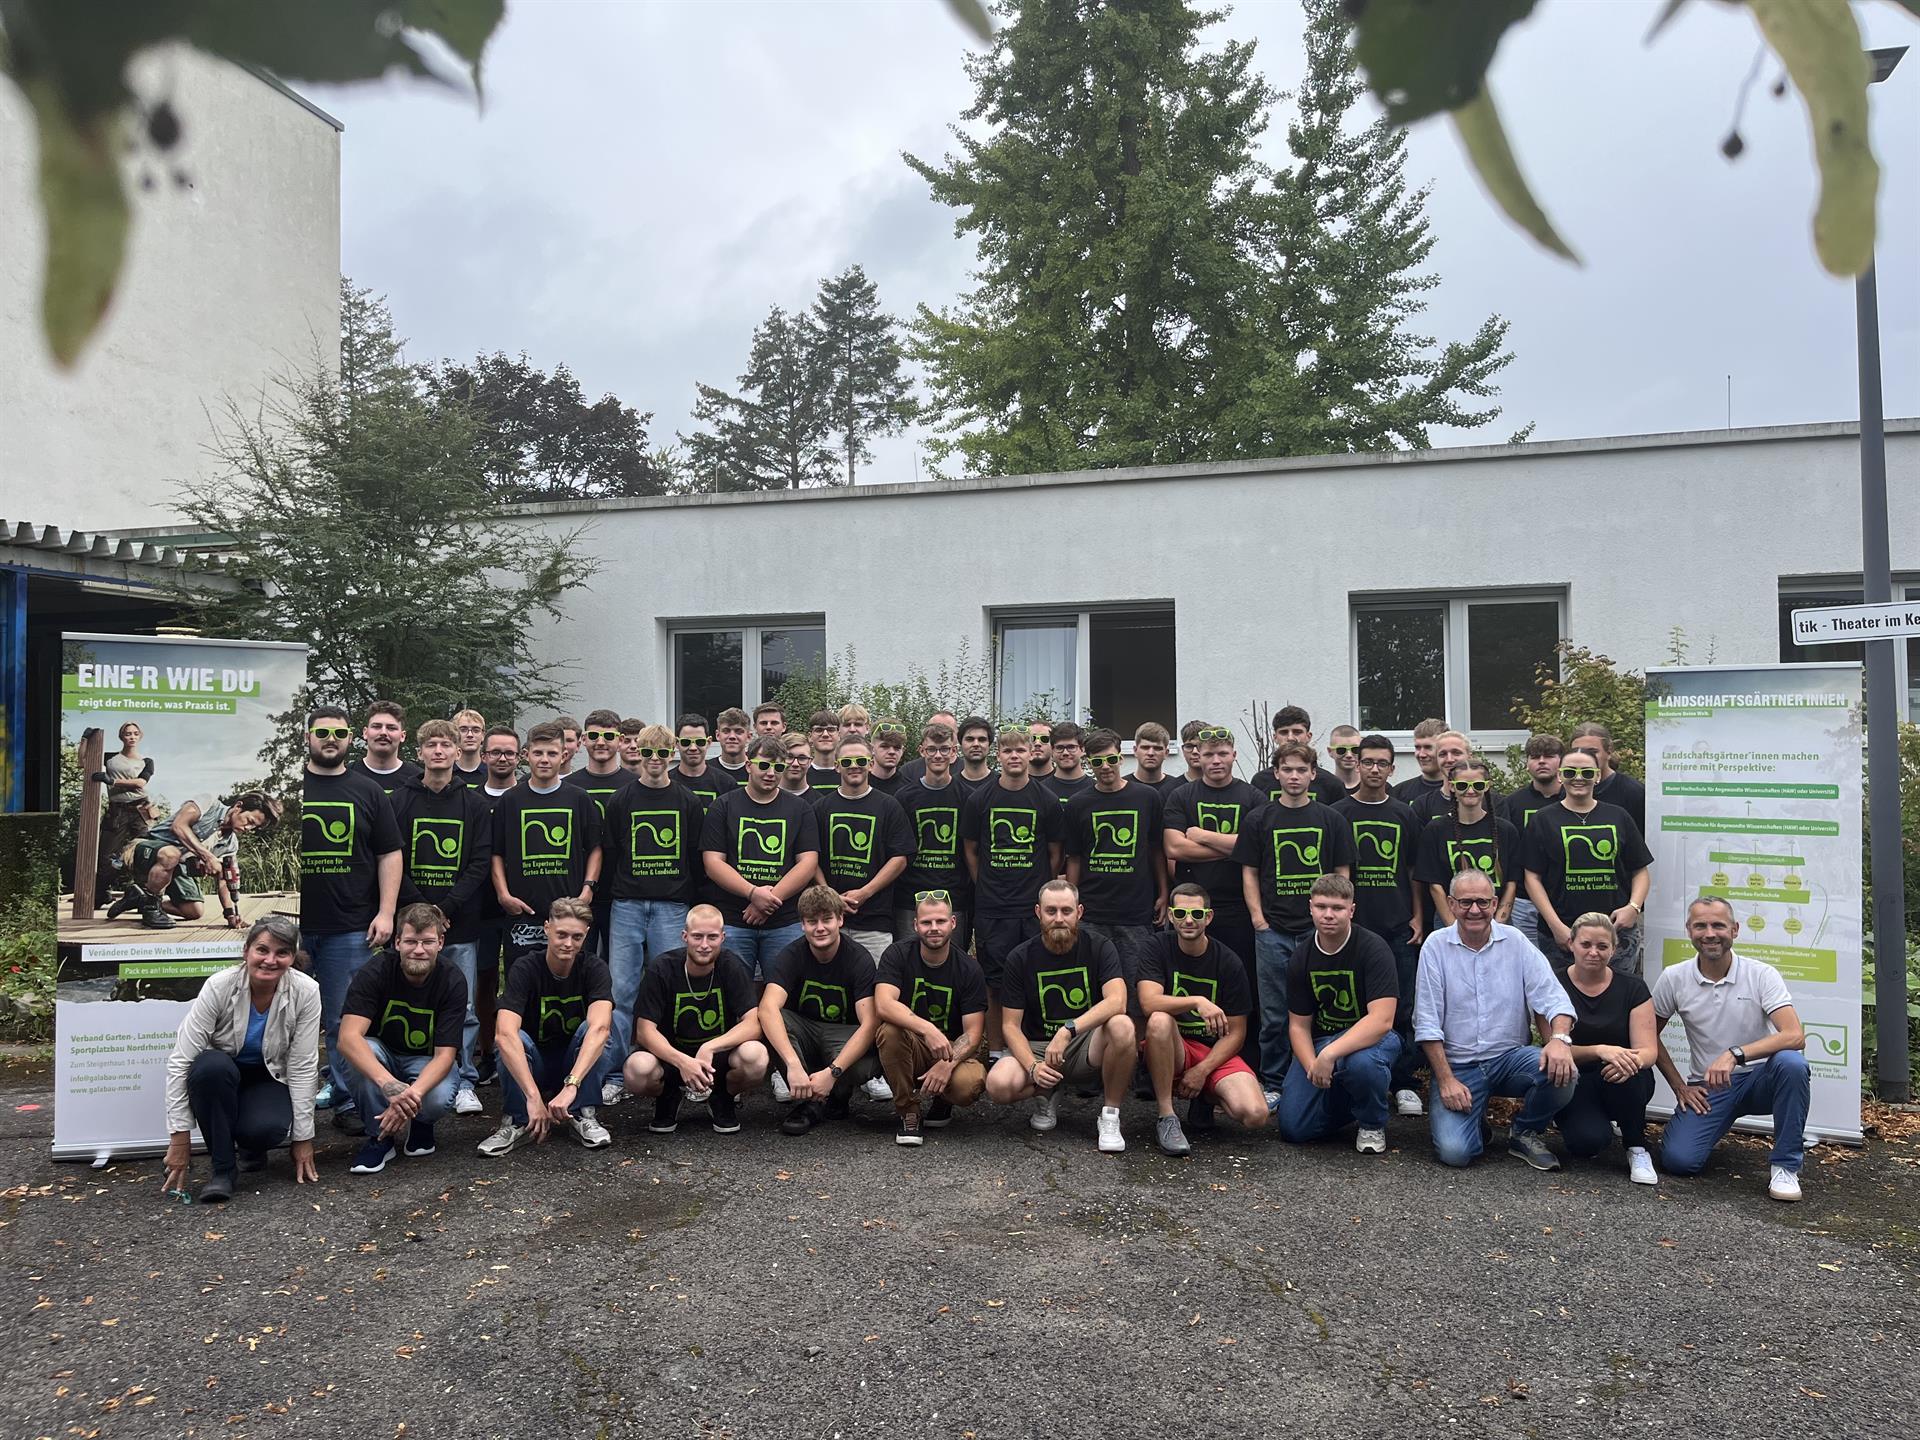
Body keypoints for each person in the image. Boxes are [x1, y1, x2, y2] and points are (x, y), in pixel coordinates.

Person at [1414, 869, 1578, 1170]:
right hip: (1459, 1066)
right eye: (1465, 902)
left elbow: (1554, 998)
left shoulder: (1515, 941)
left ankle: (1524, 1131)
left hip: (1509, 1059)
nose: (1474, 910)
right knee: (1455, 1153)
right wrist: (1447, 1080)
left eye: (1482, 902)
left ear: (1494, 903)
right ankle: (1474, 1123)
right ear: (1450, 904)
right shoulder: (1435, 947)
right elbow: (1426, 1022)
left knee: (1564, 1070)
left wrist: (1559, 1040)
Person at [1651, 897, 1810, 1201]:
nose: (1710, 933)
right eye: (1701, 925)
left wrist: (1734, 1054)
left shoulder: (1761, 974)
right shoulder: (1674, 977)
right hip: (1709, 1087)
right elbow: (1648, 1036)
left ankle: (1785, 1167)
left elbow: (1794, 1035)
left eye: (1718, 925)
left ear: (1735, 930)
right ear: (1689, 930)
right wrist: (1679, 1086)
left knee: (1792, 1064)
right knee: (1679, 1162)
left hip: (1761, 1079)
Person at [162, 916, 319, 1203]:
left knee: (266, 1129)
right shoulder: (219, 986)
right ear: (246, 951)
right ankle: (223, 1170)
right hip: (222, 1073)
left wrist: (303, 1139)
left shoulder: (306, 991)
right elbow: (181, 1060)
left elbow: (303, 1065)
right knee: (208, 1067)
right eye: (262, 950)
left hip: (269, 1076)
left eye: (282, 953)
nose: (270, 960)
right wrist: (179, 1138)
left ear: (292, 958)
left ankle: (251, 1146)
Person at [299, 703, 401, 1129]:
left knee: (344, 1019)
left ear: (349, 739)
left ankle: (345, 1101)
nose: (330, 740)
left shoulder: (368, 790)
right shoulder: (292, 789)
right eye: (322, 733)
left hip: (350, 925)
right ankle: (290, 1103)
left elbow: (390, 853)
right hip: (288, 926)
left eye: (338, 734)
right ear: (307, 737)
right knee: (285, 1018)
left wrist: (387, 912)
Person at [1235, 740, 1353, 1105]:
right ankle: (1273, 1083)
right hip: (1274, 931)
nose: (1294, 776)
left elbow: (1342, 872)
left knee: (1321, 1010)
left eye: (1302, 770)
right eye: (1287, 769)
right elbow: (1250, 872)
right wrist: (1258, 919)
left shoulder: (1331, 819)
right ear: (1276, 774)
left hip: (1320, 933)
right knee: (1273, 1014)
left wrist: (1337, 919)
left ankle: (1320, 1079)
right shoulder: (1260, 819)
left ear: (1314, 775)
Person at [600, 723, 710, 1107]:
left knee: (673, 991)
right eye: (647, 754)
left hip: (672, 904)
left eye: (662, 754)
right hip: (627, 904)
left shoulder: (687, 800)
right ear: (637, 754)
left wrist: (691, 904)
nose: (655, 761)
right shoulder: (621, 799)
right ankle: (614, 1072)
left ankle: (683, 1072)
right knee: (621, 992)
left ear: (673, 754)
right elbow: (612, 852)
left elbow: (697, 858)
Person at [391, 719, 493, 1117]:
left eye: (445, 745)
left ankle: (464, 1079)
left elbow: (479, 861)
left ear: (457, 752)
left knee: (464, 1005)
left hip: (459, 923)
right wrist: (421, 909)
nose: (438, 751)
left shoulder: (473, 803)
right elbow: (393, 856)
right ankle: (411, 1076)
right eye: (431, 744)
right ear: (420, 752)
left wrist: (445, 908)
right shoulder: (400, 800)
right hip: (411, 923)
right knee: (406, 1001)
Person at [984, 880, 1134, 1150]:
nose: (1059, 918)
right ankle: (1046, 1088)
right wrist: (1032, 1066)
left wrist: (1067, 1030)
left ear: (1079, 912)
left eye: (1066, 911)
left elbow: (1118, 1001)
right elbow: (1010, 1026)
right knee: (997, 1085)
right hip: (1038, 1047)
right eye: (1051, 911)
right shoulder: (1020, 957)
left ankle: (1110, 1116)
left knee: (1122, 1026)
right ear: (1038, 912)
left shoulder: (1100, 946)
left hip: (1084, 1044)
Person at [1162, 725, 1267, 1067]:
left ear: (1234, 755)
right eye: (1209, 754)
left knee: (1242, 987)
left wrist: (1201, 835)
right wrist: (1234, 847)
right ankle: (1181, 1060)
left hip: (1238, 908)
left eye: (1223, 753)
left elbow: (1258, 846)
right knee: (1188, 983)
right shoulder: (1181, 796)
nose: (1216, 760)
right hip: (1190, 908)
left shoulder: (1252, 797)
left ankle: (1246, 1062)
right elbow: (1175, 847)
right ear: (1197, 756)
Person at [478, 899, 617, 1155]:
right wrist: (533, 1095)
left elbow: (600, 1030)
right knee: (512, 1038)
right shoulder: (525, 968)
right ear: (546, 929)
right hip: (534, 1064)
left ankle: (582, 1113)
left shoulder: (594, 968)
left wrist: (571, 1085)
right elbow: (504, 1034)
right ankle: (518, 1119)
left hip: (573, 1065)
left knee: (595, 1030)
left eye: (576, 937)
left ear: (586, 935)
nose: (568, 943)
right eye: (561, 934)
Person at [1275, 876, 1402, 1153]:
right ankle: (1353, 1100)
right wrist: (1312, 1066)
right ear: (1310, 908)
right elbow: (1298, 1026)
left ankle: (1371, 1122)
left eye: (1337, 908)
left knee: (1363, 1065)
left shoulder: (1373, 948)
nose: (1328, 915)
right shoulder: (1301, 956)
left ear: (1352, 910)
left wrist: (1329, 1055)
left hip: (1372, 1039)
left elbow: (1382, 1020)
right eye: (1321, 907)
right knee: (1294, 1129)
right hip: (1321, 1043)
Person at [337, 903, 466, 1173]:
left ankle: (421, 1123)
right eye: (410, 941)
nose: (419, 950)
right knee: (361, 1050)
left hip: (426, 1060)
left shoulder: (452, 978)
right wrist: (389, 1086)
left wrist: (409, 1097)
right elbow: (347, 1037)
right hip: (384, 1056)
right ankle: (379, 1138)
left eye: (428, 942)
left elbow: (446, 1055)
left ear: (440, 943)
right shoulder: (376, 970)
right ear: (397, 942)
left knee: (438, 1095)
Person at [1137, 884, 1266, 1150]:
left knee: (1255, 1115)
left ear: (1208, 917)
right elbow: (1148, 1002)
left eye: (1196, 914)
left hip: (1213, 1052)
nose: (1188, 920)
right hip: (1175, 1046)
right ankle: (1167, 1116)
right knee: (1159, 1019)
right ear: (1171, 915)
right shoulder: (1156, 947)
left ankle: (1205, 1099)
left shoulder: (1228, 962)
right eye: (1181, 913)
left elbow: (1238, 1032)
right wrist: (1198, 1001)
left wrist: (1202, 1071)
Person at [623, 903, 768, 1135]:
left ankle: (722, 1096)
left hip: (717, 1060)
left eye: (712, 937)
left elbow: (753, 1023)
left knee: (756, 1056)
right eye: (697, 936)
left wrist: (710, 1047)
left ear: (722, 937)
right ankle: (668, 1096)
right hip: (670, 1058)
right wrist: (683, 1062)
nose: (704, 945)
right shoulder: (663, 967)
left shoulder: (731, 965)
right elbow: (644, 1030)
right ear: (684, 936)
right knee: (636, 1070)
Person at [963, 725, 1064, 1053]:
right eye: (1008, 751)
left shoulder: (1045, 799)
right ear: (999, 755)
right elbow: (971, 849)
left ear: (1030, 752)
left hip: (1032, 907)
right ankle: (996, 1051)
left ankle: (1034, 1045)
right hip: (993, 907)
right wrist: (986, 884)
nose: (1015, 756)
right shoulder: (981, 798)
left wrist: (1042, 889)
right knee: (995, 982)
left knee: (1036, 976)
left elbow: (1054, 851)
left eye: (1021, 750)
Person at [759, 885, 882, 1135]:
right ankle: (808, 1103)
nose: (820, 928)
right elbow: (767, 1007)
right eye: (811, 921)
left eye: (827, 919)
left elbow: (870, 1023)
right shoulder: (791, 955)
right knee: (772, 1019)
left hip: (841, 1035)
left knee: (865, 1060)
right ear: (802, 925)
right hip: (806, 1032)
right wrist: (792, 1064)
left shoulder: (858, 958)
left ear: (840, 919)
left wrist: (834, 1072)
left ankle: (838, 1092)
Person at [700, 733, 821, 979]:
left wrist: (769, 900)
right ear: (748, 765)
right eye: (764, 765)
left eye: (778, 767)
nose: (770, 773)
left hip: (784, 921)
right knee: (734, 994)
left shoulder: (800, 808)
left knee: (783, 994)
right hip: (734, 920)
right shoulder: (723, 806)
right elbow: (712, 863)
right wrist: (753, 893)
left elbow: (808, 863)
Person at [1063, 728, 1166, 1012]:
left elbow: (1157, 849)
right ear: (1088, 763)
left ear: (1122, 757)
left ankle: (1138, 1052)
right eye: (1097, 762)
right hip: (1092, 911)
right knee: (1094, 988)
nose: (1105, 767)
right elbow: (1075, 858)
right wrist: (1072, 902)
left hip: (1136, 911)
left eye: (1110, 759)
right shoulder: (1077, 804)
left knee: (1137, 989)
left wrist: (1164, 892)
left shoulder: (1148, 798)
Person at [875, 891, 990, 1144]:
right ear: (915, 925)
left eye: (940, 921)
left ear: (953, 923)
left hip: (951, 1051)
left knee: (969, 1083)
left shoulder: (969, 969)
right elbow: (883, 1004)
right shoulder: (897, 954)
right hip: (912, 1045)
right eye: (926, 922)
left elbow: (973, 1033)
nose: (933, 928)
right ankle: (908, 1111)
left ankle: (944, 1099)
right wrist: (927, 1029)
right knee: (889, 1031)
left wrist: (947, 1064)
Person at [1553, 915, 1659, 1185]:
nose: (1593, 952)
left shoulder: (1633, 987)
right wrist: (1601, 1050)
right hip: (1573, 1078)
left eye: (1602, 946)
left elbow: (1648, 1051)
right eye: (1586, 944)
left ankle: (1636, 1147)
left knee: (1630, 1072)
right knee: (1586, 1144)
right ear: (1571, 944)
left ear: (1614, 948)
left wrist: (1626, 1060)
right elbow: (1554, 1048)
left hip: (1621, 1077)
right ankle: (1593, 1123)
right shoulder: (1553, 986)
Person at [1521, 754, 1651, 973]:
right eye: (1570, 772)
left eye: (1587, 772)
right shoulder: (1542, 819)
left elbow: (1640, 870)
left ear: (1598, 776)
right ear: (1560, 776)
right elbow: (1532, 877)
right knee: (1563, 1002)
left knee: (1617, 999)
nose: (1578, 778)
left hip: (1616, 933)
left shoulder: (1619, 816)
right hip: (1562, 933)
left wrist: (1633, 907)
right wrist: (1556, 926)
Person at [491, 720, 604, 973]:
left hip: (569, 911)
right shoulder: (510, 800)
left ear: (563, 755)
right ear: (526, 755)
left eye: (552, 753)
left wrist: (588, 890)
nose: (544, 759)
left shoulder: (579, 798)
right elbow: (496, 853)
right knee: (521, 984)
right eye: (538, 753)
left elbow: (595, 848)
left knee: (571, 983)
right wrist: (503, 894)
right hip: (523, 914)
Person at [112, 791, 280, 931]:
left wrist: (231, 914)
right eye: (249, 821)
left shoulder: (231, 843)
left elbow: (225, 879)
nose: (248, 829)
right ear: (238, 807)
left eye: (254, 827)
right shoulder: (207, 803)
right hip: (145, 850)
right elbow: (178, 826)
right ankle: (150, 908)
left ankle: (141, 898)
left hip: (175, 868)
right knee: (172, 854)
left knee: (194, 911)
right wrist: (207, 856)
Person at [811, 734, 915, 958]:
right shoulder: (821, 807)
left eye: (860, 761)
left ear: (870, 763)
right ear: (837, 767)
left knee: (874, 987)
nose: (854, 767)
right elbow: (810, 858)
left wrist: (865, 892)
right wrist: (830, 895)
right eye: (847, 762)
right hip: (828, 919)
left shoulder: (889, 806)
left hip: (875, 921)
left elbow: (900, 858)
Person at [1414, 755, 1521, 926]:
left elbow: (1511, 883)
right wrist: (1453, 927)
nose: (1470, 791)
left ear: (1487, 786)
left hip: (1497, 921)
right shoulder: (1435, 830)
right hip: (1449, 921)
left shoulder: (1506, 830)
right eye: (1462, 785)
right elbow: (1435, 886)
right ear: (1451, 787)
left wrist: (1497, 925)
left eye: (1477, 785)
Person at [893, 721, 972, 949]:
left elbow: (972, 851)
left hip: (954, 899)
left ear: (954, 752)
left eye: (944, 749)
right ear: (921, 751)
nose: (938, 755)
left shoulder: (968, 797)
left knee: (953, 967)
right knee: (907, 963)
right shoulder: (903, 797)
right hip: (909, 899)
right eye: (931, 749)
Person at [1501, 733, 1565, 948]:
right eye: (1535, 756)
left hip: (1564, 898)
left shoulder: (1573, 799)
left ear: (1561, 761)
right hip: (1524, 901)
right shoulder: (1511, 803)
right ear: (1527, 763)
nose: (1542, 761)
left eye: (1549, 756)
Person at [94, 718, 156, 878]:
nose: (132, 737)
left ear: (140, 736)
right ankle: (102, 893)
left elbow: (140, 783)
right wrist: (85, 741)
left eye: (135, 734)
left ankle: (145, 893)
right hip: (117, 812)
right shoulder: (110, 758)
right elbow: (84, 760)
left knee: (146, 852)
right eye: (128, 734)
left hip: (140, 811)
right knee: (105, 855)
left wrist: (112, 781)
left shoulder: (146, 761)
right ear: (122, 737)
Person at [1569, 723, 1647, 835]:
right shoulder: (1565, 791)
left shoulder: (1633, 792)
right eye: (1578, 751)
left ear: (1609, 751)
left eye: (1592, 752)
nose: (1585, 757)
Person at [1261, 706, 1347, 806]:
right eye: (1284, 732)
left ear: (1308, 736)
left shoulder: (1332, 784)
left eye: (1297, 732)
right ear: (1275, 738)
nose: (1290, 738)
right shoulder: (1261, 781)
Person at [350, 700, 422, 796]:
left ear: (402, 736)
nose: (383, 732)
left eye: (391, 728)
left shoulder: (419, 780)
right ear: (365, 733)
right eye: (376, 726)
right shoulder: (347, 775)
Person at [672, 712, 740, 811]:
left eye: (700, 742)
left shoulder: (726, 783)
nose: (693, 748)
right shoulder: (667, 782)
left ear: (708, 742)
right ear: (677, 744)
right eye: (686, 742)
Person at [1391, 718, 1449, 804]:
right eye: (1417, 747)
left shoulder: (1462, 791)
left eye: (1428, 747)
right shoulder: (1399, 792)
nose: (1421, 754)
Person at [894, 709, 957, 785]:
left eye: (948, 731)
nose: (940, 734)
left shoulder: (966, 773)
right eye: (935, 729)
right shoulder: (908, 771)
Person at [1042, 722, 1094, 805]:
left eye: (1071, 747)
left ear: (1082, 749)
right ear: (1052, 750)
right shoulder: (1041, 790)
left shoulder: (1096, 788)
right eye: (1059, 747)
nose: (1065, 752)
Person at [953, 715, 997, 802]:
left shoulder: (1001, 784)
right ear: (961, 744)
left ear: (989, 745)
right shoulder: (951, 786)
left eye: (982, 739)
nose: (976, 744)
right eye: (970, 739)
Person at [1128, 721, 1178, 793]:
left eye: (1157, 748)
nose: (1150, 753)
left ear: (1166, 753)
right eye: (1145, 748)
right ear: (1135, 751)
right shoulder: (1123, 787)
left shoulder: (1177, 789)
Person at [867, 718, 910, 796]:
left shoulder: (909, 790)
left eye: (897, 747)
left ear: (902, 751)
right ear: (871, 749)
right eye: (884, 746)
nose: (891, 752)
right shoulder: (859, 786)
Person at [714, 707, 754, 784]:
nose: (732, 736)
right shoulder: (705, 769)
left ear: (749, 737)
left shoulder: (757, 771)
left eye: (738, 732)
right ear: (718, 735)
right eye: (726, 731)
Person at [805, 710, 843, 790]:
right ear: (810, 736)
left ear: (839, 735)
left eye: (831, 730)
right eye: (819, 730)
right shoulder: (801, 773)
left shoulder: (848, 772)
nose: (825, 734)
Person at [1324, 724, 1363, 794]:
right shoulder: (1324, 788)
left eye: (1355, 749)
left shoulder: (1374, 787)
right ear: (1330, 752)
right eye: (1341, 750)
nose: (1349, 755)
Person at [452, 708, 488, 778]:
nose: (470, 735)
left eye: (476, 730)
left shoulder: (492, 774)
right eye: (463, 730)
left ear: (483, 735)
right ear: (454, 734)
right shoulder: (445, 773)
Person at [781, 731, 816, 797]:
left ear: (810, 762)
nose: (795, 764)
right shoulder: (765, 798)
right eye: (789, 757)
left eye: (802, 758)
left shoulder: (820, 804)